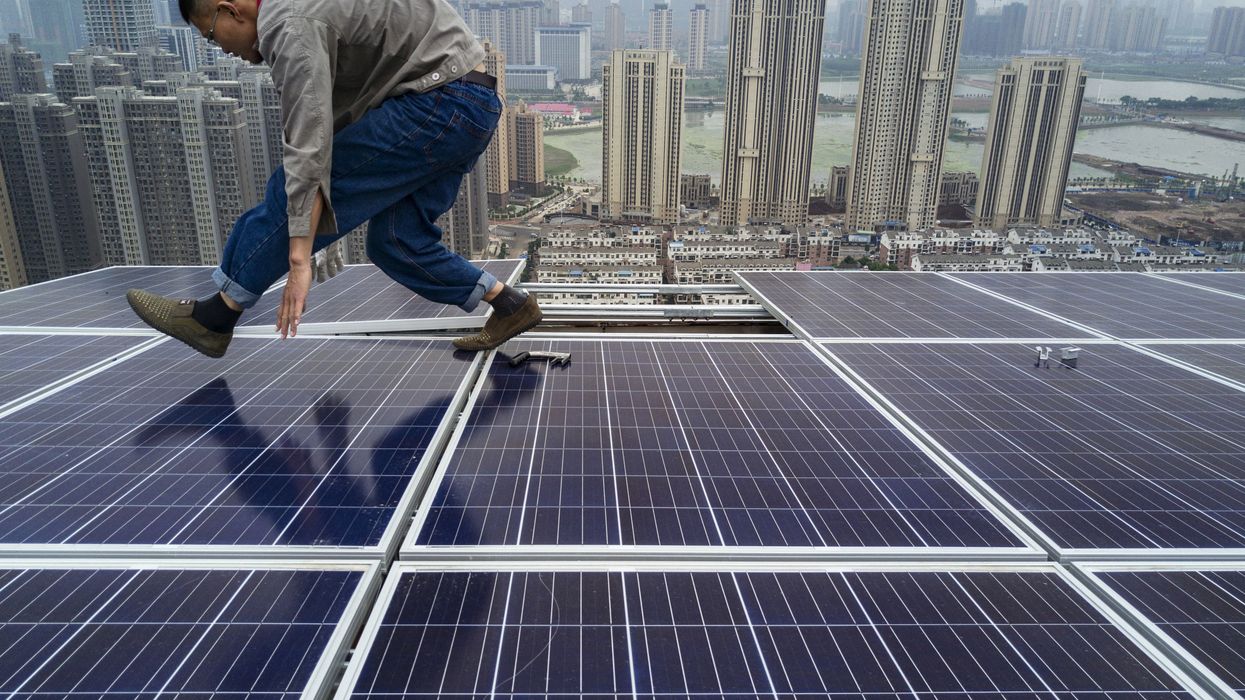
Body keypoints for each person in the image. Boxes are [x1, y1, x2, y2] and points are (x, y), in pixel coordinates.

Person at [126, 0, 541, 358]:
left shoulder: (285, 22)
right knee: (396, 241)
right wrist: (318, 228)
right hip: (471, 104)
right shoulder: (303, 14)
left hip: (438, 101)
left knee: (286, 189)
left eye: (213, 37)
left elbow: (310, 148)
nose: (224, 50)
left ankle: (214, 317)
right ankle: (510, 304)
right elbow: (342, 127)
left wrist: (298, 257)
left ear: (229, 9)